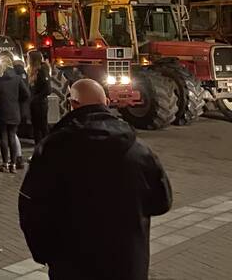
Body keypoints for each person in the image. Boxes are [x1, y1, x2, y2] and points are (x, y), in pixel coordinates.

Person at [19, 79, 171, 279]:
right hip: (126, 263)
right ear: (106, 102)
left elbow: (31, 209)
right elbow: (162, 202)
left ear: (72, 104)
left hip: (72, 264)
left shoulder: (52, 150)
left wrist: (44, 253)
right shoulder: (139, 150)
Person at [0, 53, 30, 173]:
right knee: (12, 136)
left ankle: (5, 163)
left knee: (3, 137)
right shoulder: (17, 78)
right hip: (14, 111)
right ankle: (13, 164)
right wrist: (17, 100)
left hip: (1, 111)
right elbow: (26, 94)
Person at [28, 51, 51, 145]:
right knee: (37, 127)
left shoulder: (42, 70)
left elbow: (47, 89)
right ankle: (39, 147)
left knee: (42, 127)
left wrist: (35, 98)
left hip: (40, 104)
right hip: (36, 104)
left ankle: (45, 147)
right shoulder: (34, 71)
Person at [13, 54, 32, 168]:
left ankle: (17, 158)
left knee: (12, 134)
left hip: (16, 108)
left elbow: (24, 93)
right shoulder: (24, 74)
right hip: (23, 109)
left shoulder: (16, 75)